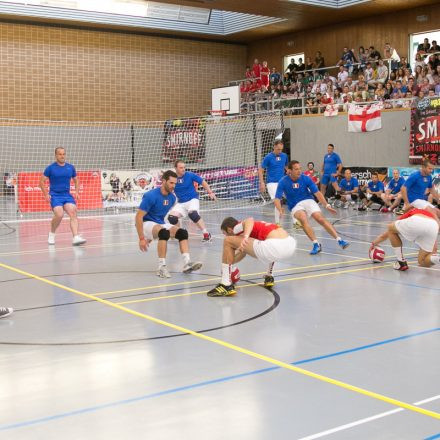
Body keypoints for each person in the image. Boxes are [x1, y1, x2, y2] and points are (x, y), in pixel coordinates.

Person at [135, 170, 202, 278]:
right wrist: (142, 238)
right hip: (146, 223)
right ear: (164, 181)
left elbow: (162, 220)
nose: (173, 186)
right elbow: (138, 217)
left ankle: (187, 263)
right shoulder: (150, 196)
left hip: (159, 224)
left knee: (182, 233)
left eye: (175, 183)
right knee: (164, 233)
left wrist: (153, 236)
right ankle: (161, 267)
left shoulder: (172, 198)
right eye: (171, 183)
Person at [207, 217, 296, 297]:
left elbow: (249, 220)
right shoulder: (256, 228)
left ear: (229, 230)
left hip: (274, 245)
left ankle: (225, 284)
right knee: (269, 248)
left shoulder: (236, 228)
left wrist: (245, 237)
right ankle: (269, 276)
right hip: (289, 244)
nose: (225, 235)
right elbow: (243, 252)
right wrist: (228, 266)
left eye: (224, 233)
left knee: (227, 241)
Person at [275, 160, 349, 255]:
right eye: (296, 169)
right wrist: (280, 209)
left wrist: (326, 205)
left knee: (320, 218)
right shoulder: (283, 181)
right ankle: (316, 244)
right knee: (303, 218)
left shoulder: (305, 178)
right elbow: (277, 198)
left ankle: (340, 240)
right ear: (290, 171)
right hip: (295, 205)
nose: (299, 171)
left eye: (300, 169)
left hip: (308, 200)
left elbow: (317, 193)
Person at [39, 147, 86, 246]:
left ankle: (75, 237)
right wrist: (46, 194)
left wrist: (77, 192)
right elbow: (41, 181)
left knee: (73, 211)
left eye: (64, 154)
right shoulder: (50, 168)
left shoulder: (70, 167)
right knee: (59, 214)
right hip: (55, 195)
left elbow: (76, 180)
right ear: (56, 155)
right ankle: (51, 233)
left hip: (67, 195)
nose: (62, 156)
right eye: (60, 154)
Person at [370, 208, 439, 270]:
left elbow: (388, 232)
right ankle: (437, 258)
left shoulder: (412, 211)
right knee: (422, 261)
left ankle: (401, 262)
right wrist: (433, 251)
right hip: (434, 226)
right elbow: (434, 246)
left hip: (418, 221)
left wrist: (374, 243)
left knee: (390, 228)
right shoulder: (430, 215)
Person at [168, 160, 216, 242]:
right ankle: (180, 232)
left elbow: (202, 182)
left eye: (184, 167)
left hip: (192, 199)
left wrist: (210, 192)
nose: (183, 169)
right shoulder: (172, 178)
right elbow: (167, 189)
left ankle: (206, 234)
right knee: (172, 218)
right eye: (181, 168)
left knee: (193, 214)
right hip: (181, 203)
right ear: (175, 168)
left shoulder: (189, 175)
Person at [258, 139, 289, 224]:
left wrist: (290, 174)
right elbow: (261, 169)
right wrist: (262, 182)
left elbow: (287, 167)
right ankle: (278, 222)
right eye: (278, 149)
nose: (280, 151)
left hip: (282, 182)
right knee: (277, 200)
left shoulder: (284, 156)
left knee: (292, 198)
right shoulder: (268, 157)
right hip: (271, 183)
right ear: (274, 147)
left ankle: (296, 222)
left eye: (281, 149)